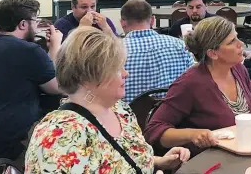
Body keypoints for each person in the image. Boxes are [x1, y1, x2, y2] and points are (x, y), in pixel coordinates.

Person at [24, 27, 190, 174]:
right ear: (92, 76)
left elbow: (123, 160)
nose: (126, 74)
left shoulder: (120, 111)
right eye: (118, 69)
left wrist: (160, 161)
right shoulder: (60, 134)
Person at [144, 17, 251, 156]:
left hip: (246, 153)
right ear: (212, 53)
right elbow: (154, 130)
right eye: (232, 41)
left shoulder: (237, 69)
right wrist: (193, 134)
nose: (241, 43)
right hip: (212, 161)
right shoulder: (189, 84)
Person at [0, 0, 63, 166]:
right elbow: (56, 86)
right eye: (35, 21)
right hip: (13, 144)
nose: (37, 26)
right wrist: (55, 46)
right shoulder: (29, 50)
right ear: (23, 24)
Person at [120, 0, 194, 103]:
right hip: (174, 115)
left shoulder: (114, 52)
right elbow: (193, 83)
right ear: (152, 20)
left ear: (123, 23)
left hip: (130, 117)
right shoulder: (180, 45)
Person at [54, 0, 119, 41]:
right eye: (84, 7)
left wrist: (106, 28)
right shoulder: (62, 25)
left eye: (93, 6)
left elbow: (118, 47)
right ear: (73, 7)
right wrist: (82, 28)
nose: (89, 11)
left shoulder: (104, 21)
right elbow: (64, 53)